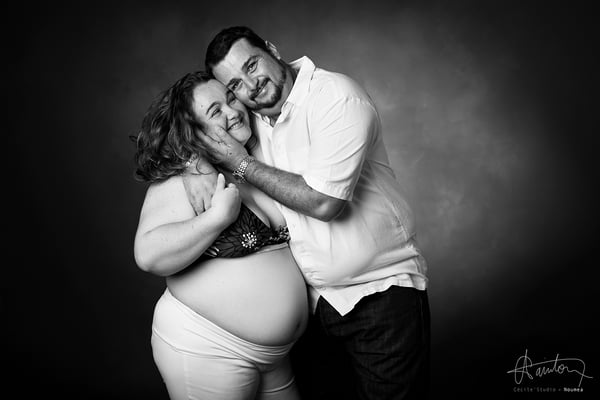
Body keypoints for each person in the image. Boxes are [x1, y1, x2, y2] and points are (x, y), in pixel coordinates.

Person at [185, 26, 431, 400]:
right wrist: (194, 165)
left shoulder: (336, 97)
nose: (251, 86)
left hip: (379, 296)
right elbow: (192, 129)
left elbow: (324, 202)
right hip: (315, 307)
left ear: (272, 49)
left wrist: (241, 164)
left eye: (252, 65)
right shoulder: (253, 121)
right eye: (235, 86)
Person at [132, 70, 308, 400]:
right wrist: (217, 218)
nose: (232, 111)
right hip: (208, 347)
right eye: (215, 111)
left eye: (230, 99)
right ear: (194, 130)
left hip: (275, 356)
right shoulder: (186, 180)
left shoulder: (254, 161)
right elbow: (148, 254)